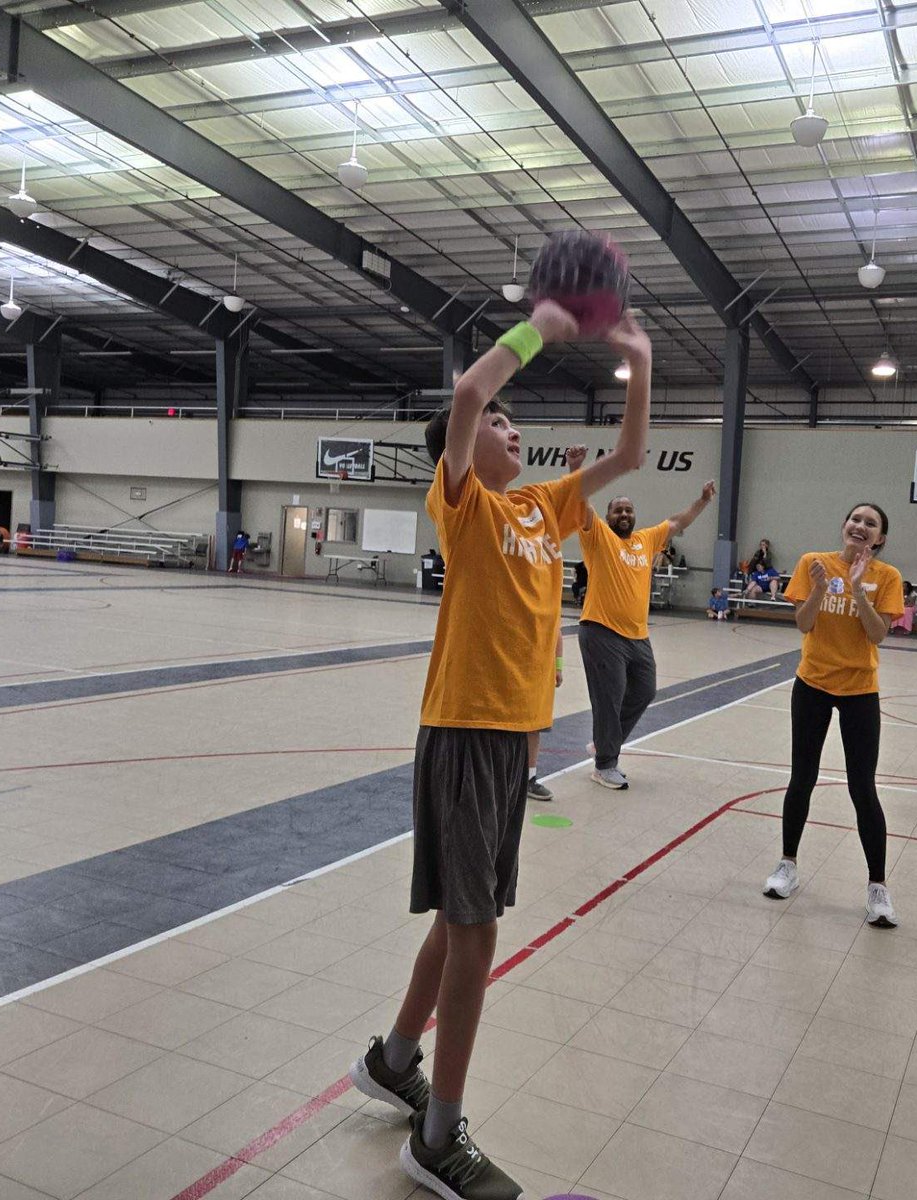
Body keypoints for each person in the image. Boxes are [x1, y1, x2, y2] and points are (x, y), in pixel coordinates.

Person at [348, 302, 651, 1200]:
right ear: (468, 445)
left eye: (516, 426)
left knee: (462, 914)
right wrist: (541, 331)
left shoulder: (538, 507)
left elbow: (630, 458)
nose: (513, 431)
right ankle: (437, 1136)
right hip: (464, 729)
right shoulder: (466, 504)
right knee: (477, 930)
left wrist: (637, 359)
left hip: (512, 740)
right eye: (502, 427)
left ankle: (396, 1057)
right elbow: (472, 389)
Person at [762, 503, 905, 928]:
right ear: (844, 525)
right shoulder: (813, 563)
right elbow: (803, 625)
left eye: (871, 524)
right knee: (801, 777)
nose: (860, 527)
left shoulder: (888, 577)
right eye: (855, 520)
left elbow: (878, 634)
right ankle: (787, 864)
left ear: (879, 538)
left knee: (863, 788)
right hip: (812, 685)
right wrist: (823, 590)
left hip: (860, 689)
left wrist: (859, 589)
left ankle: (877, 887)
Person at [570, 463, 716, 790]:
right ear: (608, 517)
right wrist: (576, 470)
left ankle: (605, 743)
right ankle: (605, 764)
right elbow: (583, 505)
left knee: (644, 690)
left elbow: (678, 522)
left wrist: (703, 501)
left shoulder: (647, 540)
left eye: (628, 509)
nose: (624, 513)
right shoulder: (598, 536)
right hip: (601, 631)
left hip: (638, 636)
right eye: (618, 509)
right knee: (610, 698)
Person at [526, 630, 564, 802]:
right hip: (515, 665)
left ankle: (529, 778)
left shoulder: (550, 604)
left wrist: (558, 667)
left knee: (535, 725)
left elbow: (557, 633)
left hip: (540, 670)